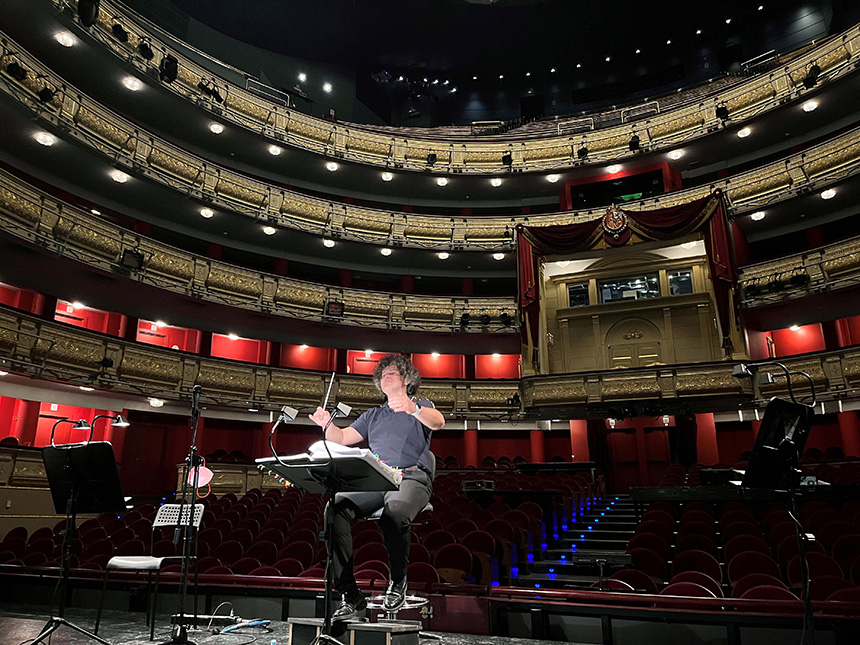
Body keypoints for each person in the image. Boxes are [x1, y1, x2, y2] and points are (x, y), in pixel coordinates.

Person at [309, 354, 445, 620]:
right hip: (378, 478)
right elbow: (343, 437)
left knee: (394, 512)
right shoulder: (372, 415)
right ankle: (350, 594)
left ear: (407, 379)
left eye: (393, 371)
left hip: (410, 479)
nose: (386, 375)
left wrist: (412, 409)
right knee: (334, 509)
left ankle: (398, 582)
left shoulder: (420, 405)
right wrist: (327, 425)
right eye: (383, 373)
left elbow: (438, 422)